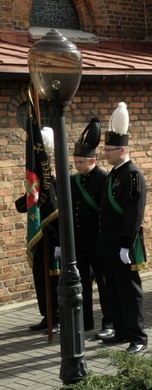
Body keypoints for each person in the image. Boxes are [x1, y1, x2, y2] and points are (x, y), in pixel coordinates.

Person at [97, 102, 148, 355]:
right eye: (105, 149)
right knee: (113, 291)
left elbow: (134, 213)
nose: (105, 153)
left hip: (123, 245)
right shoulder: (114, 173)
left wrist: (126, 244)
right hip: (109, 244)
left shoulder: (133, 175)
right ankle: (120, 331)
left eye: (109, 149)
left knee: (129, 291)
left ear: (122, 149)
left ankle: (138, 337)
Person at [69, 118, 113, 339]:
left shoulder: (104, 178)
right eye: (75, 162)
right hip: (80, 241)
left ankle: (109, 321)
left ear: (92, 161)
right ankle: (85, 322)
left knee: (103, 283)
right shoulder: (74, 181)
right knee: (82, 282)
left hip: (98, 240)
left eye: (79, 162)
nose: (76, 166)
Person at [15, 126, 60, 334]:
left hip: (54, 240)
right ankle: (47, 315)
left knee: (54, 280)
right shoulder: (36, 187)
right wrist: (31, 190)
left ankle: (58, 317)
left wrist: (60, 243)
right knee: (40, 279)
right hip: (40, 240)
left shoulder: (58, 185)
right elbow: (20, 206)